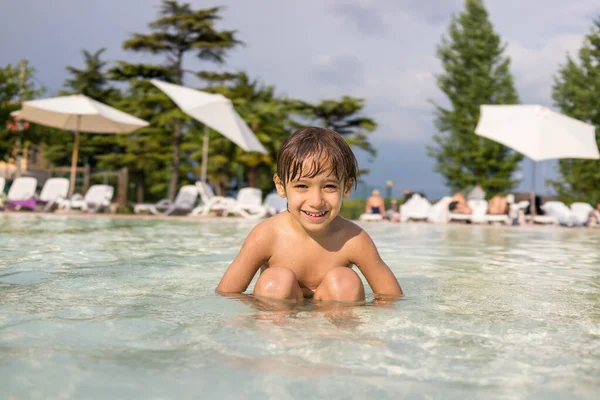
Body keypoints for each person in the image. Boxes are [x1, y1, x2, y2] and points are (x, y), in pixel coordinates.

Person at [216, 127, 403, 303]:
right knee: (275, 281)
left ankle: (338, 335)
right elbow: (227, 293)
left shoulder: (353, 240)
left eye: (329, 186)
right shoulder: (267, 235)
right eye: (302, 186)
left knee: (345, 281)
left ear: (346, 187)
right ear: (281, 186)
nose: (316, 201)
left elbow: (391, 297)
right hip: (281, 322)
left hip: (332, 320)